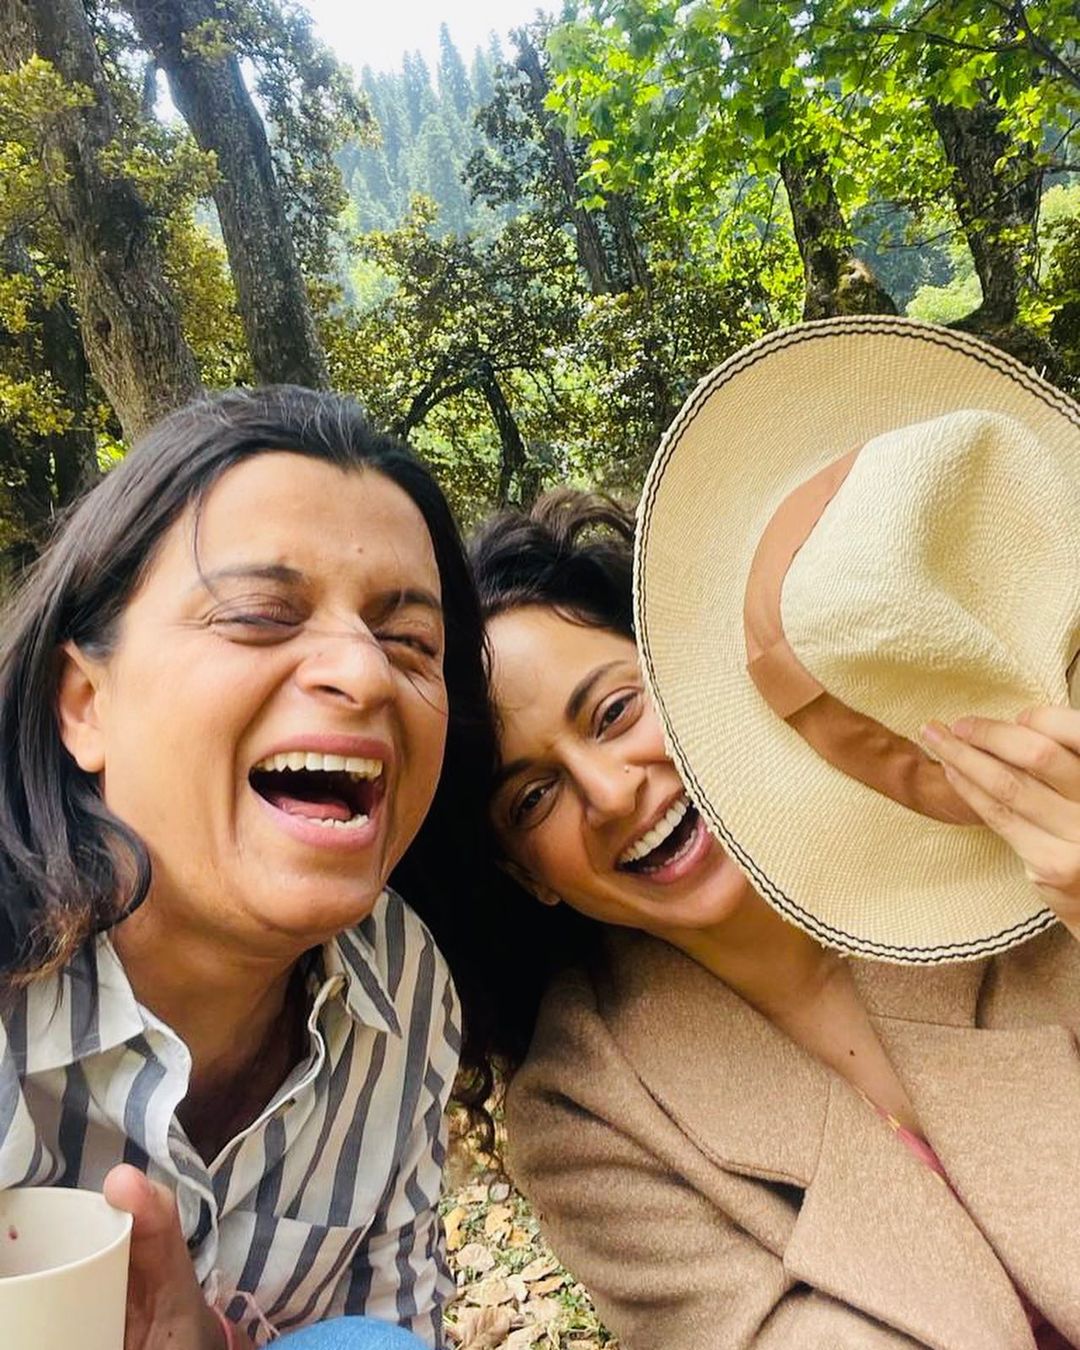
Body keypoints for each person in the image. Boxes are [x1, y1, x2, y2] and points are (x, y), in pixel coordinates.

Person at [470, 318, 1080, 1348]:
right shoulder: (589, 1115)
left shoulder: (1004, 838)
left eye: (614, 712)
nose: (611, 791)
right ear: (525, 876)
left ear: (687, 682)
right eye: (532, 798)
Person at [0, 385, 502, 1350]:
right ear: (84, 704)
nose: (363, 672)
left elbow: (392, 1317)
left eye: (411, 641)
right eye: (258, 614)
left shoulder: (402, 983)